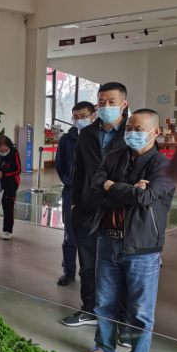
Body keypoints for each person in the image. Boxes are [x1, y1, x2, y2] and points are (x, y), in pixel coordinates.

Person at [80, 109, 175, 352]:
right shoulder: (113, 157)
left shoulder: (163, 166)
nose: (132, 133)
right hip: (107, 241)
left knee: (140, 309)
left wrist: (112, 186)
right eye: (129, 128)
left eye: (139, 129)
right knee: (104, 302)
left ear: (156, 132)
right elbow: (94, 193)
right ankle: (103, 347)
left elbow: (146, 198)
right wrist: (128, 190)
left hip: (142, 247)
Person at [66, 82, 131, 332]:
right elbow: (79, 169)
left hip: (119, 208)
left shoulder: (133, 131)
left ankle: (121, 319)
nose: (105, 106)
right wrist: (75, 201)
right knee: (88, 264)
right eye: (101, 102)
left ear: (123, 103)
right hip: (87, 206)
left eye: (112, 101)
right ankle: (90, 309)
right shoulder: (88, 133)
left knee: (121, 264)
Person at [54, 102, 97, 287]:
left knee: (94, 233)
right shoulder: (67, 139)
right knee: (70, 232)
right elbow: (60, 164)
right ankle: (68, 271)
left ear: (93, 116)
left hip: (95, 192)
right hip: (71, 190)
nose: (79, 120)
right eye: (76, 117)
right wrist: (68, 180)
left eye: (83, 116)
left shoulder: (100, 136)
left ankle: (93, 272)